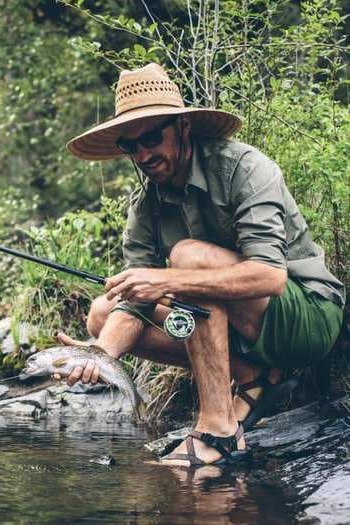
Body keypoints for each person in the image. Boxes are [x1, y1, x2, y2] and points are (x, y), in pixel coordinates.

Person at [59, 63, 345, 467]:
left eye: (152, 137)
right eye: (130, 146)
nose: (143, 154)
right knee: (102, 314)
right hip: (240, 329)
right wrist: (100, 355)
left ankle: (220, 430)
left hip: (306, 318)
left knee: (187, 257)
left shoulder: (243, 167)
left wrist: (167, 280)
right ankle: (253, 376)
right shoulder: (144, 206)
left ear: (183, 128)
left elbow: (271, 276)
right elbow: (132, 305)